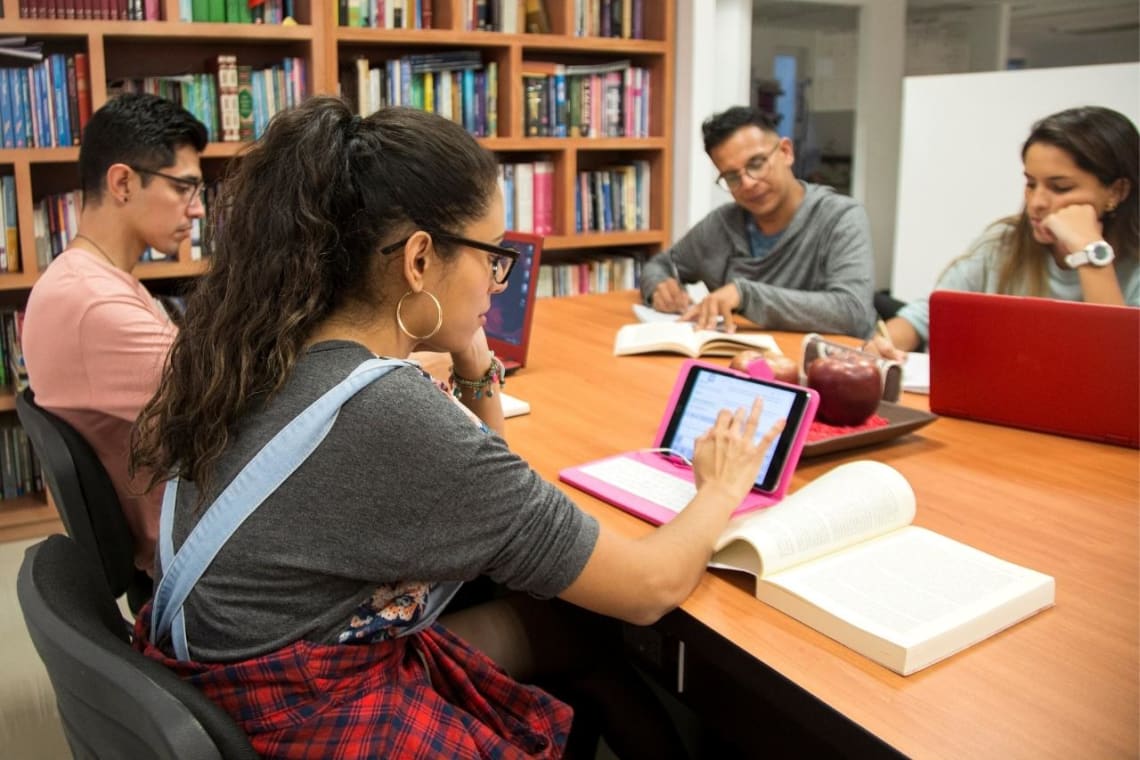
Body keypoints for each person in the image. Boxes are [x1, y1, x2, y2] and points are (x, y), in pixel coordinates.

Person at [129, 97, 783, 758]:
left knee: (567, 630)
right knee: (590, 627)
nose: (497, 282)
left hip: (236, 675)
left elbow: (485, 508)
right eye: (491, 257)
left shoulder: (261, 348)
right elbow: (650, 587)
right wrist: (721, 487)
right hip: (298, 711)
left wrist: (475, 373)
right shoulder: (387, 413)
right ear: (418, 261)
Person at [22, 93, 207, 574]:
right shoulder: (90, 302)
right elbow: (234, 402)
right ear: (123, 182)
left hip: (196, 529)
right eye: (184, 188)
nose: (198, 211)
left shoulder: (94, 282)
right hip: (198, 556)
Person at [872, 105, 1138, 359]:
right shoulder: (1004, 244)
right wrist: (883, 346)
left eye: (1061, 188)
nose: (1036, 203)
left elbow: (1119, 366)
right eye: (1031, 184)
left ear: (1117, 192)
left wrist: (1089, 252)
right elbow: (928, 315)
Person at [639, 105, 877, 338]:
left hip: (830, 368)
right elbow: (660, 264)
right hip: (743, 363)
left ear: (786, 152)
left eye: (756, 164)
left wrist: (746, 296)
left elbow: (853, 311)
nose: (748, 184)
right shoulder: (721, 225)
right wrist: (659, 286)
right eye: (732, 177)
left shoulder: (840, 217)